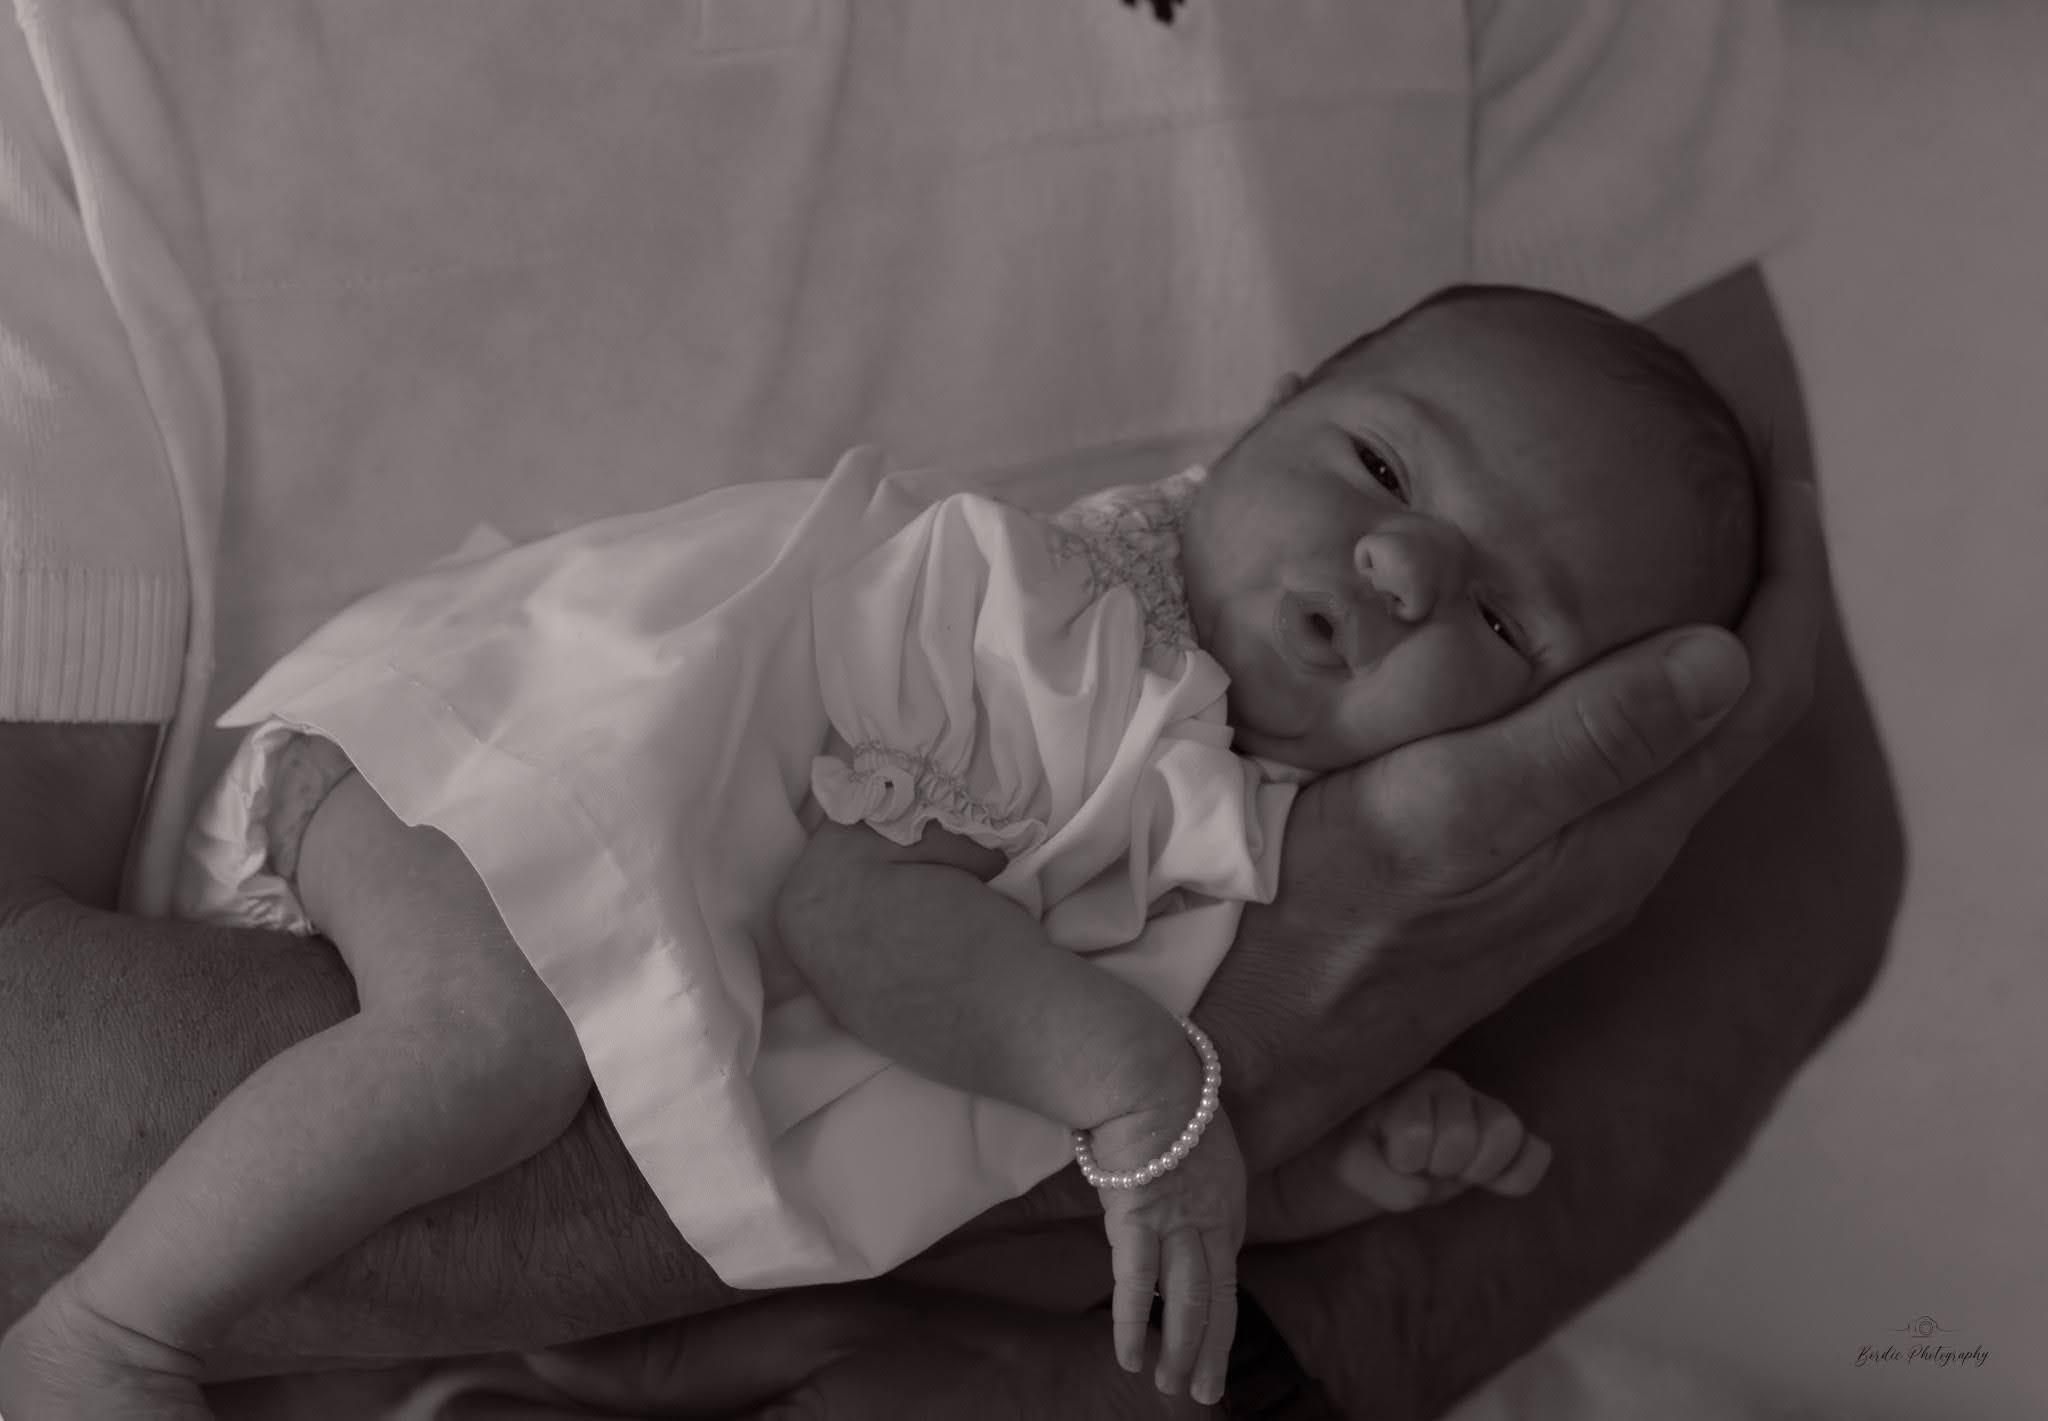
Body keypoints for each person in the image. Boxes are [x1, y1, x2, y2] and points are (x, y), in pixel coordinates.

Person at [0, 4, 1900, 1418]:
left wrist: (1311, 1230)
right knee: (488, 1040)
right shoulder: (1068, 651)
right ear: (1269, 411)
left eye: (1497, 615)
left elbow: (1773, 843)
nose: (1402, 566)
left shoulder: (1229, 787)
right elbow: (892, 939)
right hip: (470, 771)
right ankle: (110, 1335)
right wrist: (1172, 1087)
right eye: (1380, 466)